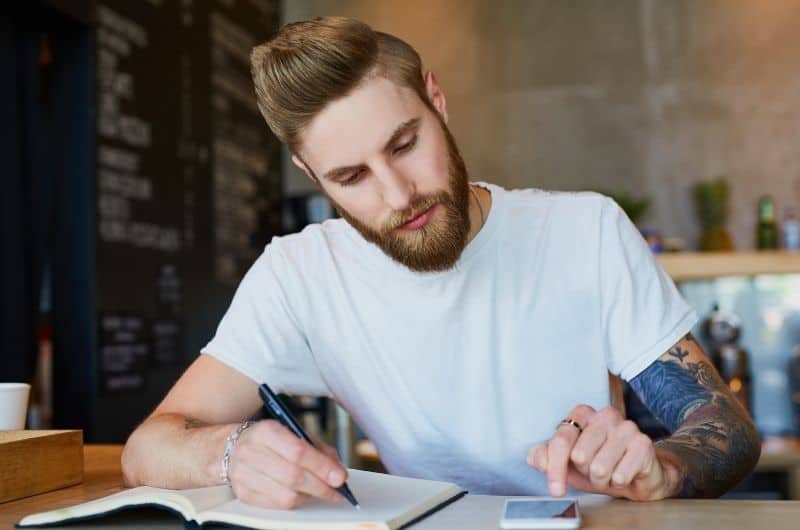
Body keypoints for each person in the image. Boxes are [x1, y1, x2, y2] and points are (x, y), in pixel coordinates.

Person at [121, 16, 760, 508]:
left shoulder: (582, 230)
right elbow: (148, 447)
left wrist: (662, 470)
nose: (398, 196)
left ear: (436, 100)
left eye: (405, 144)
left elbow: (724, 426)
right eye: (350, 177)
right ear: (312, 175)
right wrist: (230, 453)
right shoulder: (299, 275)